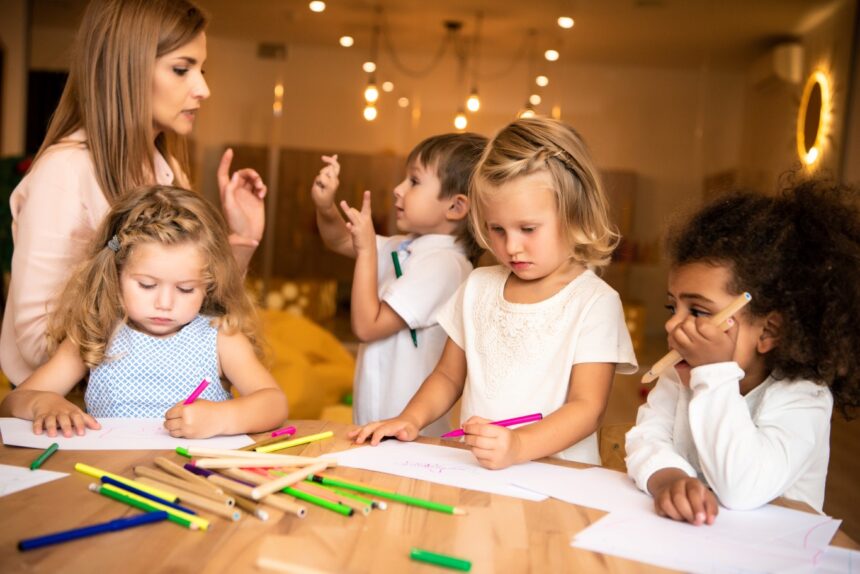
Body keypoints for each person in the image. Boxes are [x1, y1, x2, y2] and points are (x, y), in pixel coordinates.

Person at [0, 0, 266, 386]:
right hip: (72, 418)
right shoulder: (65, 173)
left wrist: (239, 241)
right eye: (181, 69)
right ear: (126, 70)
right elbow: (36, 342)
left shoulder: (166, 170)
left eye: (201, 69)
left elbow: (202, 315)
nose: (203, 89)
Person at [350, 117, 638, 468]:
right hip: (481, 471)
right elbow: (447, 376)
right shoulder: (478, 286)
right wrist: (410, 419)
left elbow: (587, 408)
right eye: (497, 229)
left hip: (560, 482)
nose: (512, 246)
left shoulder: (595, 303)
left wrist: (518, 445)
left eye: (528, 228)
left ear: (575, 214)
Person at [625, 178, 860, 525]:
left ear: (768, 331)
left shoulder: (804, 397)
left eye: (700, 312)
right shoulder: (682, 376)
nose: (673, 326)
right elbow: (648, 436)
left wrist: (715, 374)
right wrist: (669, 478)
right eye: (671, 306)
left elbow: (741, 487)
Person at [0, 185, 288, 439]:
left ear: (209, 284)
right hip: (111, 477)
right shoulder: (97, 333)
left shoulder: (219, 336)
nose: (165, 303)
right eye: (147, 285)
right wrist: (43, 404)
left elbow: (274, 403)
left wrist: (222, 418)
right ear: (116, 273)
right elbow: (13, 403)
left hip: (195, 478)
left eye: (186, 289)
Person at [312, 133, 487, 436]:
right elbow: (338, 239)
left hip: (410, 434)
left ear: (456, 208)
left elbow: (367, 326)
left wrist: (367, 250)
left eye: (414, 182)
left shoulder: (445, 265)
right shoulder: (407, 246)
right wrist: (326, 206)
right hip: (378, 422)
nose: (398, 189)